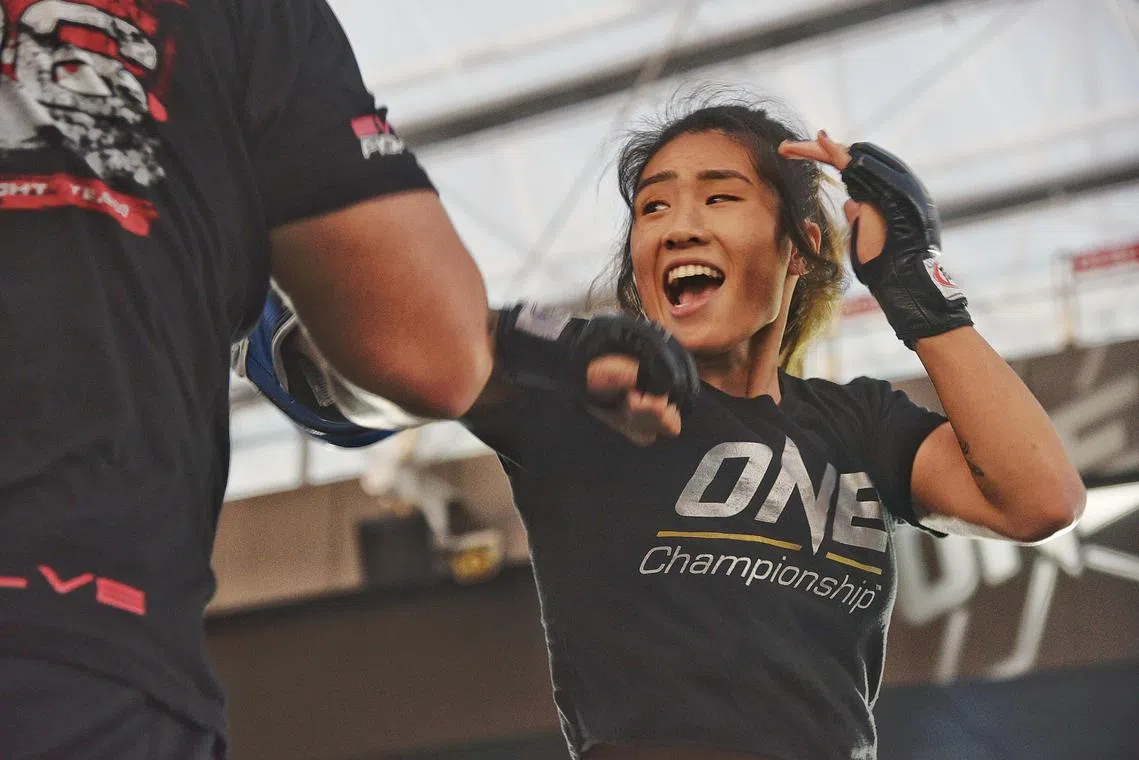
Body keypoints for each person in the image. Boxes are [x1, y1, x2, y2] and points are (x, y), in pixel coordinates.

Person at [252, 99, 1085, 759]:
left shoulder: (857, 422)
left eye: (720, 196)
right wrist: (534, 350)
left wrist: (918, 289)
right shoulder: (586, 399)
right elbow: (337, 376)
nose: (679, 224)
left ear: (800, 248)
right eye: (653, 208)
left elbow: (1038, 497)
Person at [0, 0, 693, 757]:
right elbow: (424, 354)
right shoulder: (242, 19)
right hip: (67, 649)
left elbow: (312, 362)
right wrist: (534, 347)